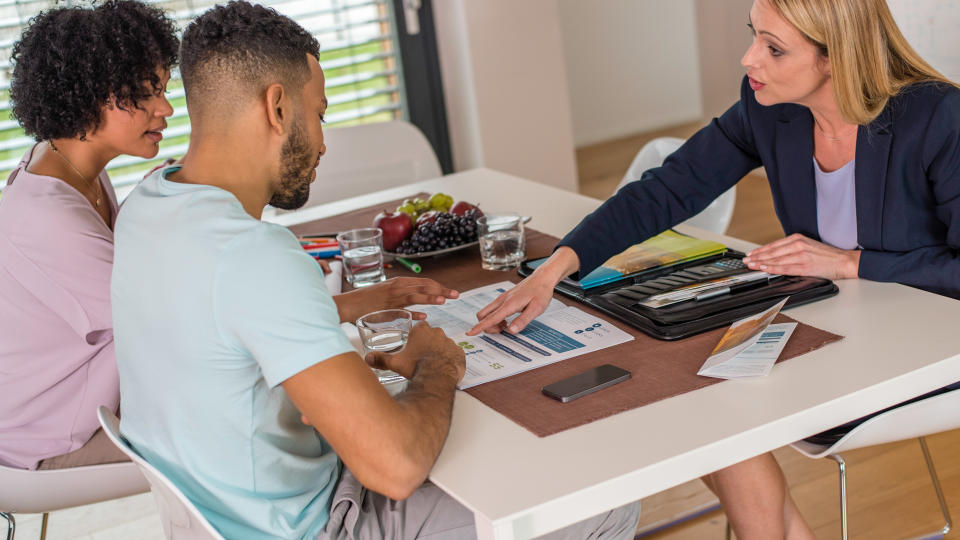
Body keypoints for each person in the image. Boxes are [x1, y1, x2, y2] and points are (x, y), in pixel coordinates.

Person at [111, 2, 641, 538]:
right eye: (318, 114)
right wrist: (439, 364)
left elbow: (221, 325)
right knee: (606, 501)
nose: (321, 143)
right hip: (316, 523)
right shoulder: (254, 255)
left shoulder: (146, 206)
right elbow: (395, 467)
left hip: (226, 510)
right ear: (276, 107)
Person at [468, 0, 960, 538]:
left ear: (834, 57)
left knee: (706, 398)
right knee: (684, 382)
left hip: (930, 351)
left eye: (774, 48)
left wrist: (852, 263)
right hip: (846, 324)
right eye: (755, 36)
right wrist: (555, 268)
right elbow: (668, 189)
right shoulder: (769, 108)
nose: (749, 58)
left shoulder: (936, 117)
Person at [0, 0, 178, 470]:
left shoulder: (73, 169)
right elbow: (165, 319)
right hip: (50, 436)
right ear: (89, 94)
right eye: (147, 92)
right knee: (245, 430)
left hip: (86, 405)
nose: (166, 108)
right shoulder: (46, 216)